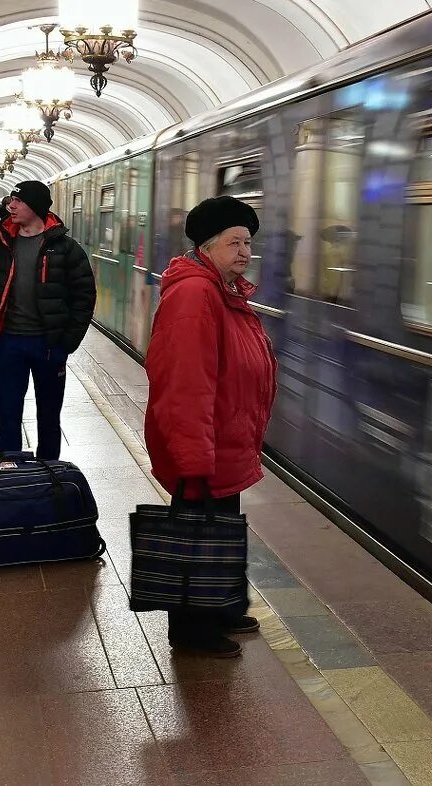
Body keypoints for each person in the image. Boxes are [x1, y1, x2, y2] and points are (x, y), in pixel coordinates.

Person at [143, 195, 278, 657]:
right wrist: (193, 456)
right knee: (198, 536)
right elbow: (184, 383)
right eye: (234, 242)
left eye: (248, 243)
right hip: (205, 443)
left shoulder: (224, 290)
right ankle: (191, 630)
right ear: (208, 245)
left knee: (220, 529)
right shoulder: (196, 294)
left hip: (226, 438)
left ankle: (220, 606)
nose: (244, 252)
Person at [0, 181, 96, 458]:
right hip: (8, 344)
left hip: (49, 345)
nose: (11, 206)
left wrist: (67, 344)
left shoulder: (66, 249)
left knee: (49, 415)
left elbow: (84, 298)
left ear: (36, 207)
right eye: (11, 200)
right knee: (7, 412)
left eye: (19, 201)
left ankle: (49, 472)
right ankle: (10, 471)